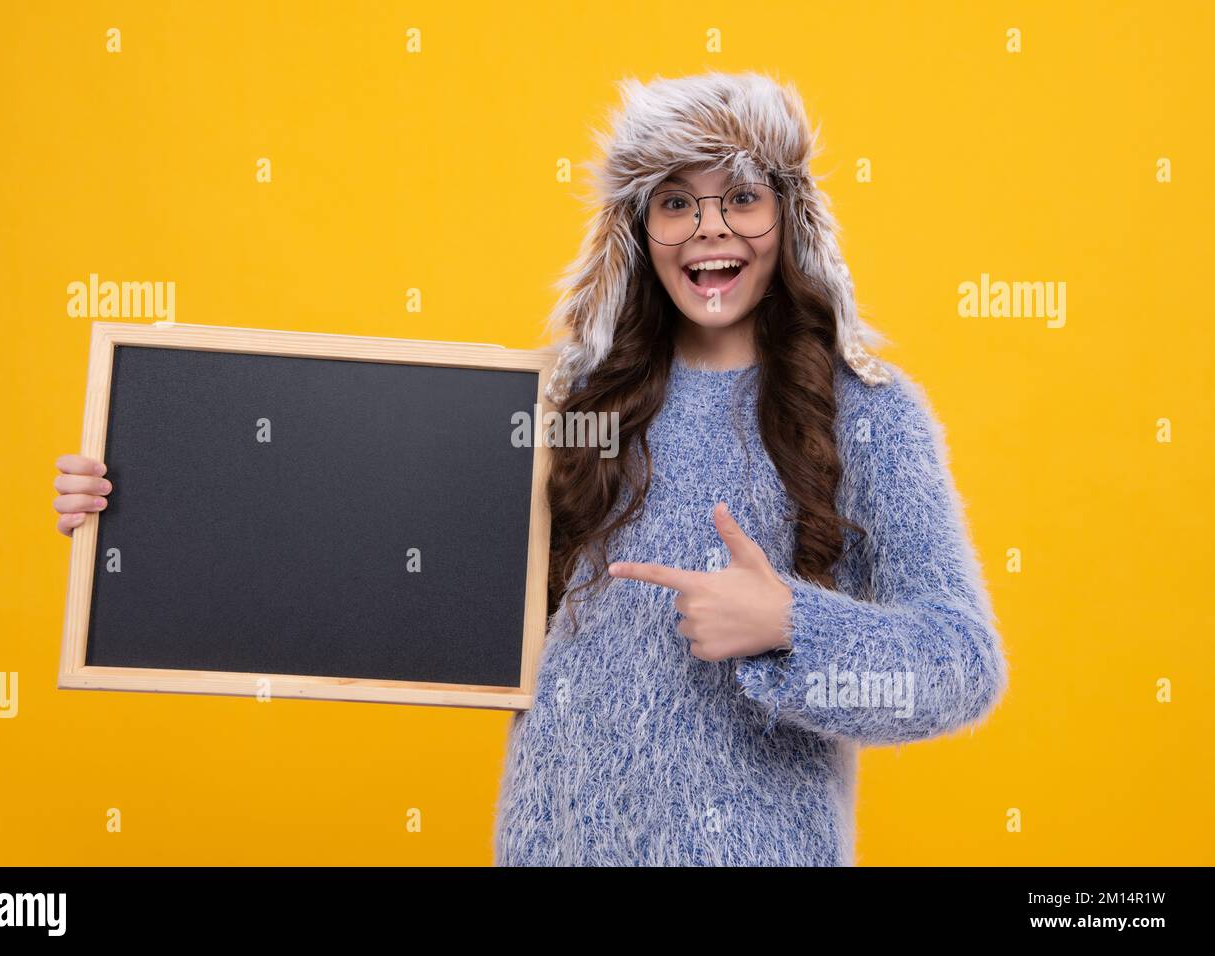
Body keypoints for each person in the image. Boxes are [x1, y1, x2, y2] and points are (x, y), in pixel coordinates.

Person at [52, 70, 1008, 867]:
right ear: (639, 231)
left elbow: (963, 667)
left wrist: (787, 624)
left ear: (789, 218)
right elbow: (348, 533)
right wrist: (137, 500)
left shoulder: (868, 415)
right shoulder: (570, 412)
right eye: (675, 201)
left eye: (741, 196)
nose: (709, 228)